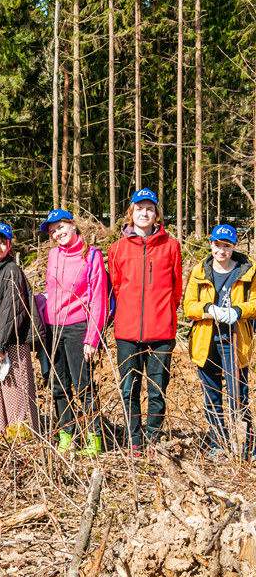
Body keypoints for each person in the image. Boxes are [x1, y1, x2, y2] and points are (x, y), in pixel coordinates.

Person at [108, 188, 182, 456]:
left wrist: (163, 314)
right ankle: (134, 441)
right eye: (139, 208)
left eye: (149, 209)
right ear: (131, 213)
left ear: (156, 215)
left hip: (161, 331)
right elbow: (117, 286)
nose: (144, 213)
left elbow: (176, 290)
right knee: (129, 389)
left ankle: (152, 439)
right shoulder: (117, 248)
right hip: (127, 331)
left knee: (156, 389)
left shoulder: (171, 246)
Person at [183, 224, 256, 459]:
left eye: (226, 246)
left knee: (239, 394)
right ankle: (218, 444)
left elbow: (255, 303)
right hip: (206, 340)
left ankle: (246, 445)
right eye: (217, 245)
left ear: (234, 246)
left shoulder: (248, 271)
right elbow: (188, 306)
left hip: (236, 341)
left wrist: (238, 310)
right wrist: (208, 309)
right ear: (211, 244)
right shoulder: (200, 270)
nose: (221, 251)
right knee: (211, 395)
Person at [41, 209, 108, 457]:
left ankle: (93, 439)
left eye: (61, 227)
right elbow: (51, 294)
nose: (57, 233)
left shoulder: (91, 256)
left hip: (79, 328)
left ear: (72, 224)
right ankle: (66, 436)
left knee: (84, 387)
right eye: (53, 230)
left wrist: (92, 338)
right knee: (58, 387)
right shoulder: (52, 255)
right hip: (53, 329)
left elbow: (100, 300)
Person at [0, 223, 40, 436]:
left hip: (9, 345)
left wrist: (0, 346)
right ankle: (0, 439)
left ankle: (22, 443)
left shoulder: (12, 270)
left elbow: (12, 310)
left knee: (16, 397)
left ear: (9, 245)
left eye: (2, 242)